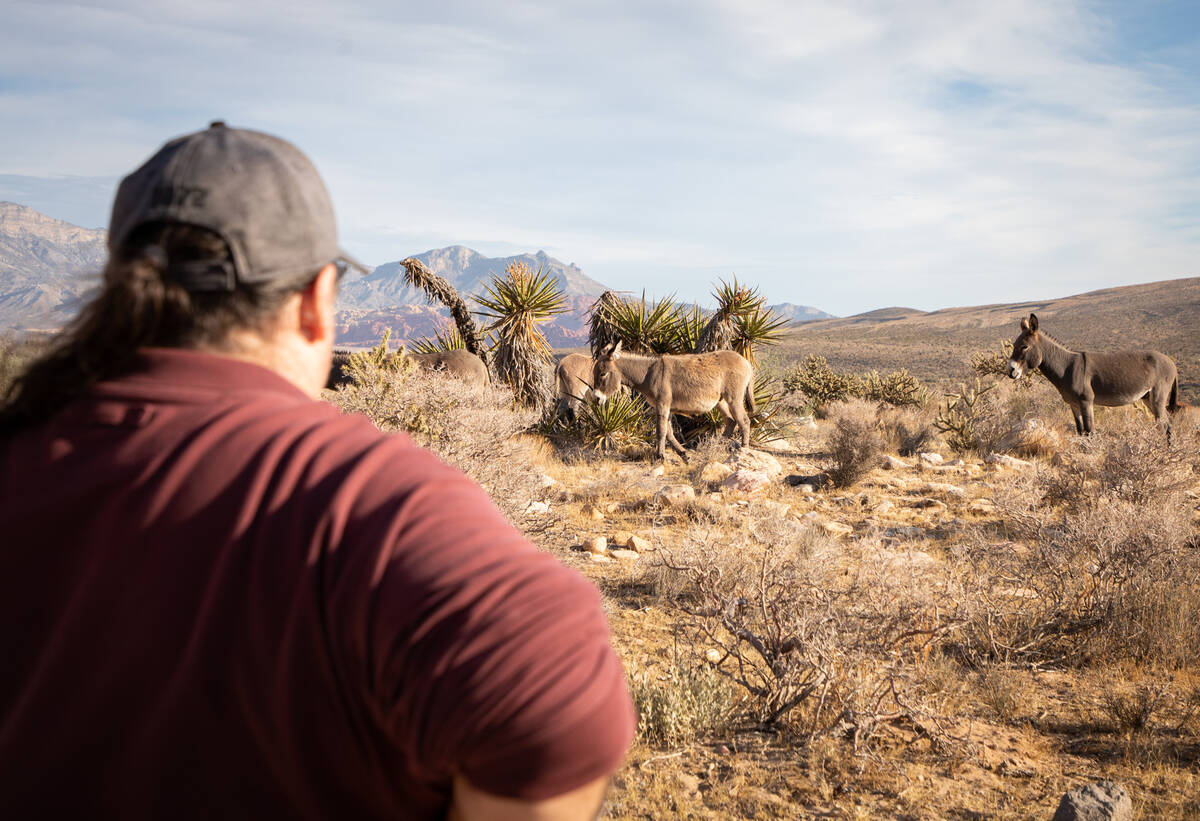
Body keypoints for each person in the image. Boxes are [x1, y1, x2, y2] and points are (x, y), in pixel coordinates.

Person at [0, 122, 635, 819]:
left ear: (119, 292)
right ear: (313, 303)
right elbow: (557, 696)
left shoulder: (26, 457)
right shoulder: (364, 502)